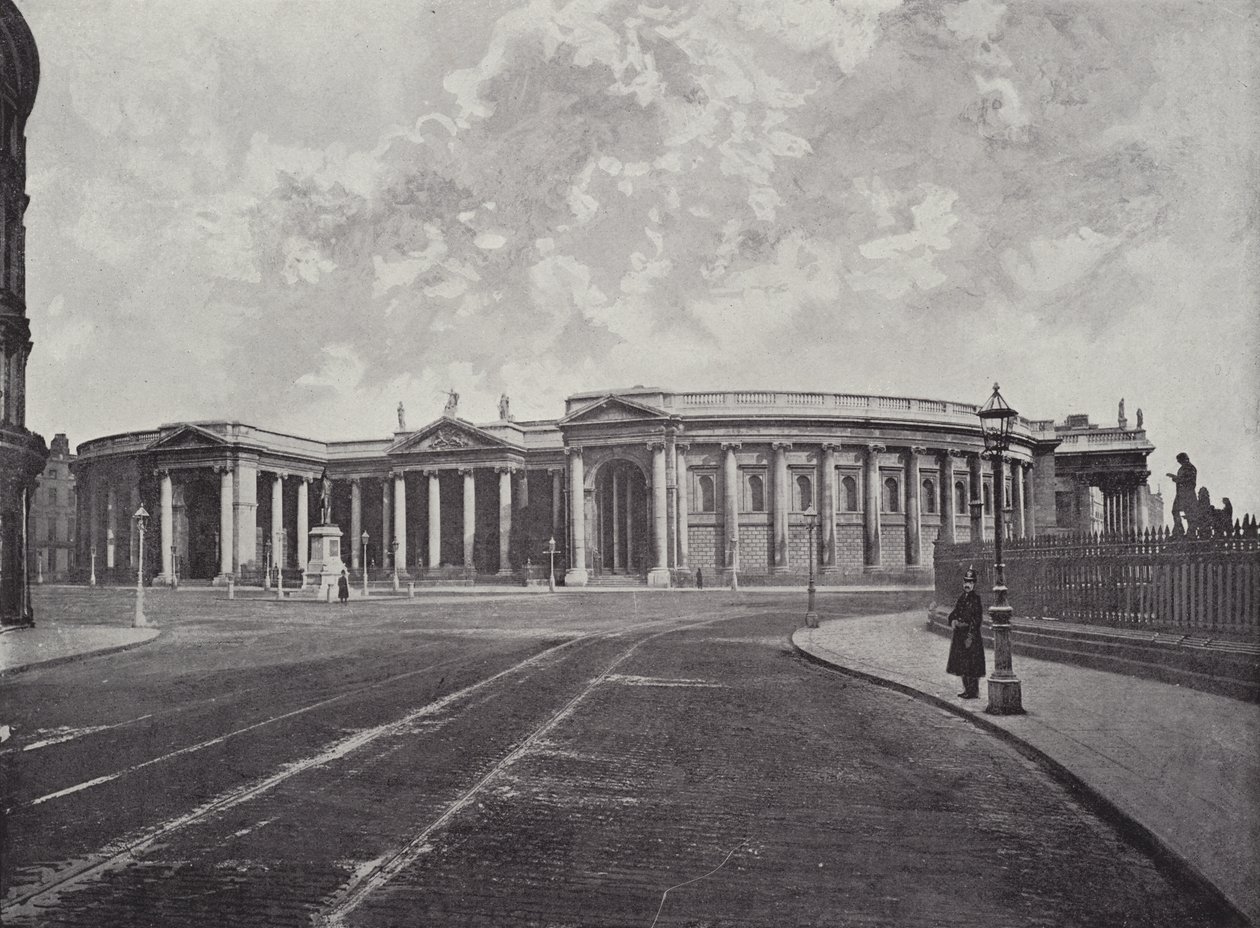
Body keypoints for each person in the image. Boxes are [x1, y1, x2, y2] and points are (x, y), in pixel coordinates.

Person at [945, 566, 986, 699]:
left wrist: (970, 636)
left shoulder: (976, 599)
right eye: (965, 582)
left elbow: (976, 620)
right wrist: (952, 620)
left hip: (970, 636)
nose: (967, 585)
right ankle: (966, 689)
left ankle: (973, 691)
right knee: (962, 664)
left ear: (974, 584)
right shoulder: (962, 598)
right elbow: (954, 613)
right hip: (959, 636)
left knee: (972, 665)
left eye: (970, 582)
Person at [1166, 452, 1197, 536]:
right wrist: (1175, 478)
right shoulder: (1183, 468)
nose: (1178, 462)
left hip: (1188, 494)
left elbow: (1189, 481)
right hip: (1181, 494)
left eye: (1179, 460)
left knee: (1189, 513)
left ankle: (1190, 531)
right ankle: (1180, 529)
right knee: (1175, 511)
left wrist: (1175, 478)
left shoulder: (1191, 468)